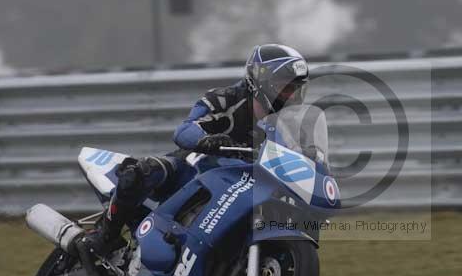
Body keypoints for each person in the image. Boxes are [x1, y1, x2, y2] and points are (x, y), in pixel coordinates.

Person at [80, 44, 310, 256]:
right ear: (261, 81)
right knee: (141, 171)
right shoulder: (225, 100)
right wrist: (207, 140)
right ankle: (105, 237)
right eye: (285, 87)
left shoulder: (288, 128)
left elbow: (296, 160)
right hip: (195, 170)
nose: (291, 95)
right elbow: (184, 130)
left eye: (295, 89)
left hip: (246, 187)